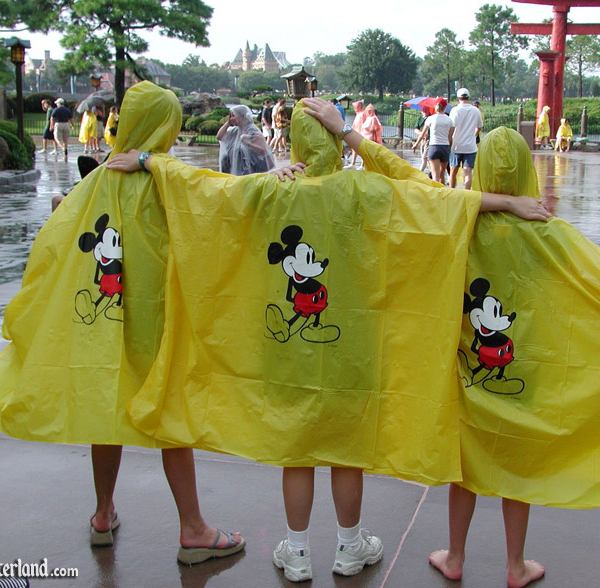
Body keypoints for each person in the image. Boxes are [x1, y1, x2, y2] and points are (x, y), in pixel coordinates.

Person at [105, 93, 550, 584]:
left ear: (294, 139)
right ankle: (349, 545)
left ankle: (296, 553)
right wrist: (506, 200)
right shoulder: (361, 189)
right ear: (333, 135)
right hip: (350, 346)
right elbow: (432, 194)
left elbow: (205, 191)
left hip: (286, 354)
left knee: (297, 448)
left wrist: (148, 159)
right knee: (345, 447)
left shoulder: (270, 189)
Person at [0, 81, 246, 566]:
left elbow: (54, 243)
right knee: (169, 410)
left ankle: (102, 513)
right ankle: (193, 529)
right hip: (155, 323)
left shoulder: (96, 180)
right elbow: (222, 200)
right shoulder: (164, 177)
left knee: (104, 407)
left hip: (105, 324)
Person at [428, 126, 600, 586]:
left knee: (463, 465)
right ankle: (514, 565)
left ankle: (456, 557)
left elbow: (419, 204)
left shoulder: (458, 226)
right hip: (527, 367)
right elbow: (599, 273)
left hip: (467, 372)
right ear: (527, 170)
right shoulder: (546, 228)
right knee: (517, 468)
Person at [216, 104, 275, 175]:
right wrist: (228, 122)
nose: (231, 118)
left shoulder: (252, 130)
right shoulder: (234, 131)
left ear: (242, 116)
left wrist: (248, 142)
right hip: (235, 170)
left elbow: (263, 150)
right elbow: (219, 136)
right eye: (230, 116)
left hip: (251, 170)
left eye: (233, 116)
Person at [411, 97, 453, 185]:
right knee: (442, 174)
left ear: (435, 107)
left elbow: (422, 134)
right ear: (445, 107)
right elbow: (450, 137)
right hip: (445, 147)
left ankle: (435, 194)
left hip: (433, 147)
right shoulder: (450, 120)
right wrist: (449, 149)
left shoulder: (430, 119)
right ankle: (442, 194)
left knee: (435, 176)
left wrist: (416, 144)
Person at [448, 88, 482, 189]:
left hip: (456, 145)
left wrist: (449, 141)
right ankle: (466, 193)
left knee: (453, 171)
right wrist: (474, 135)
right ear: (468, 97)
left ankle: (452, 192)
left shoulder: (455, 110)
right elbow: (479, 126)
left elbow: (452, 127)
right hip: (470, 146)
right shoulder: (475, 110)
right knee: (468, 172)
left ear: (458, 98)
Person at [348, 99, 365, 167]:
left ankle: (362, 165)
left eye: (355, 107)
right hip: (356, 133)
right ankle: (353, 163)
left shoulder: (362, 114)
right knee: (354, 148)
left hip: (361, 134)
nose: (354, 109)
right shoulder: (358, 114)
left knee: (362, 150)